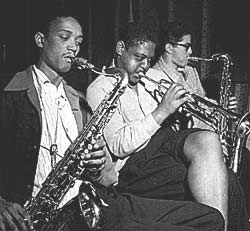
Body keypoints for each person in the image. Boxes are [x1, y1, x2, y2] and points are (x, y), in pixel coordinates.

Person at [0, 10, 225, 231]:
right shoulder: (10, 95)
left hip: (95, 200)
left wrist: (98, 164)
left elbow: (109, 177)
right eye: (64, 37)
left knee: (211, 218)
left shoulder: (76, 100)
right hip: (56, 215)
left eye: (78, 41)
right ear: (41, 40)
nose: (73, 47)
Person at [86, 14, 250, 231]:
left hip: (162, 146)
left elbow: (168, 126)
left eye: (148, 60)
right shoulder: (100, 88)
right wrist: (162, 111)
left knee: (209, 141)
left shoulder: (145, 81)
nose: (144, 66)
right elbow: (118, 145)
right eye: (138, 57)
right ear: (120, 48)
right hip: (135, 165)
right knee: (226, 180)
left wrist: (183, 111)